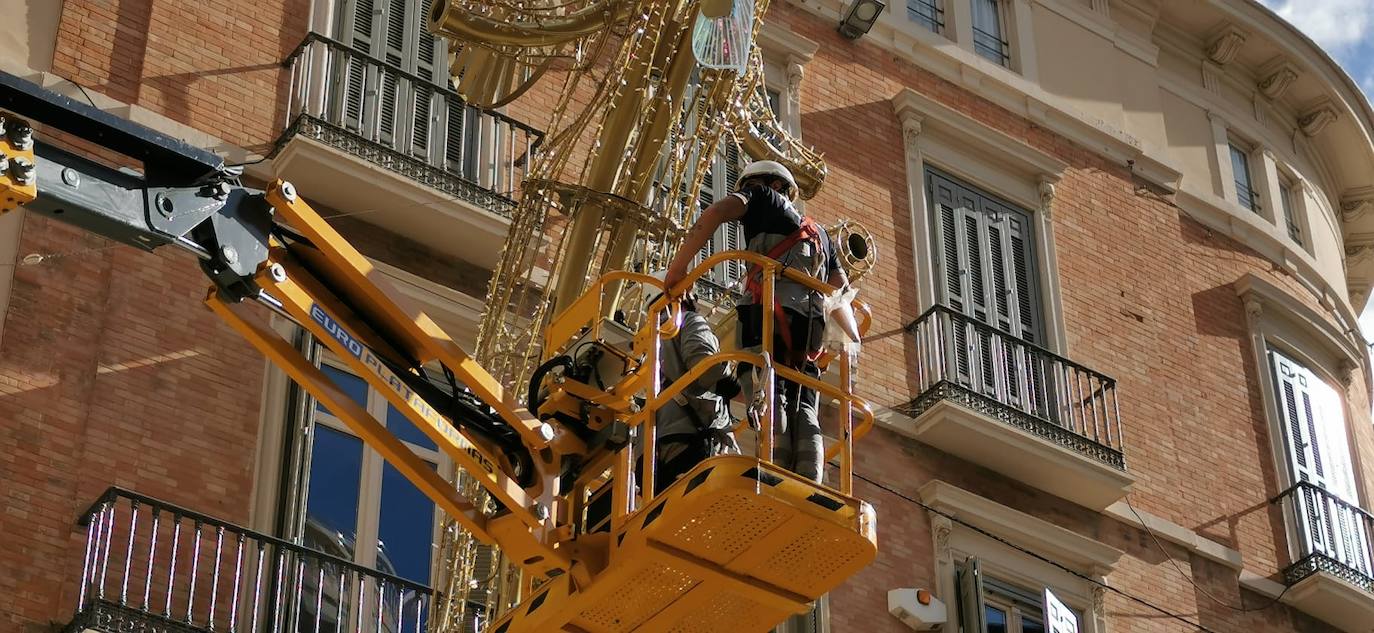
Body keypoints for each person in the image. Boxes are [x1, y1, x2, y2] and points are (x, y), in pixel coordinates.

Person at [664, 160, 860, 483]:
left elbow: (717, 213)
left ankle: (775, 477)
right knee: (805, 404)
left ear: (763, 183)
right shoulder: (821, 235)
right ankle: (810, 482)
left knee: (769, 393)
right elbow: (840, 290)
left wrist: (679, 268)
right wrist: (848, 349)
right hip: (809, 334)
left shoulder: (762, 197)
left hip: (767, 315)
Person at [644, 273, 741, 494]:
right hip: (698, 446)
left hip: (659, 457)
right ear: (686, 295)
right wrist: (740, 390)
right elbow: (705, 366)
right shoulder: (687, 320)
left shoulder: (645, 346)